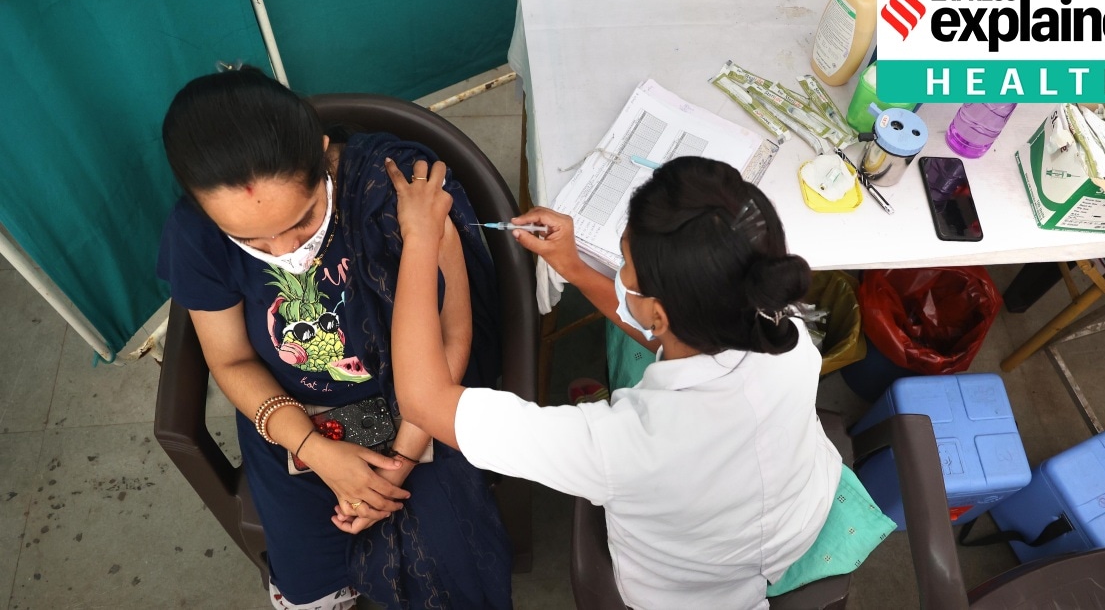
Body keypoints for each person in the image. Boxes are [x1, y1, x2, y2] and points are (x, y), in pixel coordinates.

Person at [387, 155, 890, 609]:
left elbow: (423, 398)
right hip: (796, 515)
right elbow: (676, 331)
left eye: (623, 261)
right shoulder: (783, 331)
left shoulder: (623, 444)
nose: (620, 269)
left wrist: (421, 237)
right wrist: (575, 269)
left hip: (692, 592)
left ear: (660, 311)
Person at [157, 66, 511, 609]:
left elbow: (451, 337)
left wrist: (398, 463)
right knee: (311, 585)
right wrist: (313, 449)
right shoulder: (196, 234)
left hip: (423, 400)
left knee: (452, 571)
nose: (283, 252)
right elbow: (230, 361)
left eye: (302, 222)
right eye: (249, 238)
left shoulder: (401, 194)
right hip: (290, 413)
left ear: (322, 154)